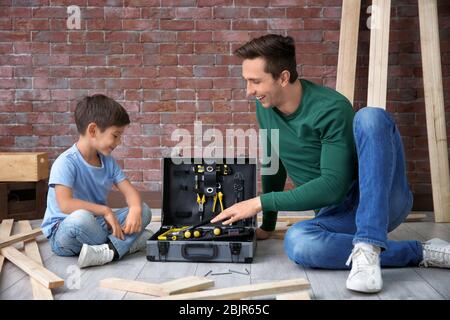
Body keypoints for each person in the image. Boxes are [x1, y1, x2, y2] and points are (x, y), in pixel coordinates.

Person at [211, 34, 450, 293]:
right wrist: (268, 225)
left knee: (371, 117)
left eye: (255, 81)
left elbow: (333, 187)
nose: (249, 91)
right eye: (247, 81)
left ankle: (369, 243)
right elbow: (274, 164)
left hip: (380, 201)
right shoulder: (265, 107)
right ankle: (417, 251)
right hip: (334, 216)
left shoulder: (331, 107)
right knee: (299, 243)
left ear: (283, 77)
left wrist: (259, 202)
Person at [41, 94, 152, 268]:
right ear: (92, 130)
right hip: (65, 232)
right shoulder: (66, 162)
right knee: (81, 218)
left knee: (144, 210)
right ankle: (127, 245)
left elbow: (130, 193)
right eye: (115, 135)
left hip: (97, 225)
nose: (119, 142)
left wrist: (136, 209)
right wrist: (106, 211)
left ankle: (107, 251)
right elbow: (65, 204)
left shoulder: (108, 161)